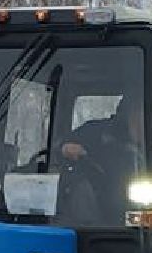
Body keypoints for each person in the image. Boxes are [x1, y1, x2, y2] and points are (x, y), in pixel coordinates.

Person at [55, 92, 144, 224]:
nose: (141, 121)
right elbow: (60, 149)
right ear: (126, 115)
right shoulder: (96, 132)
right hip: (91, 223)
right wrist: (65, 148)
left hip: (132, 221)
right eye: (137, 114)